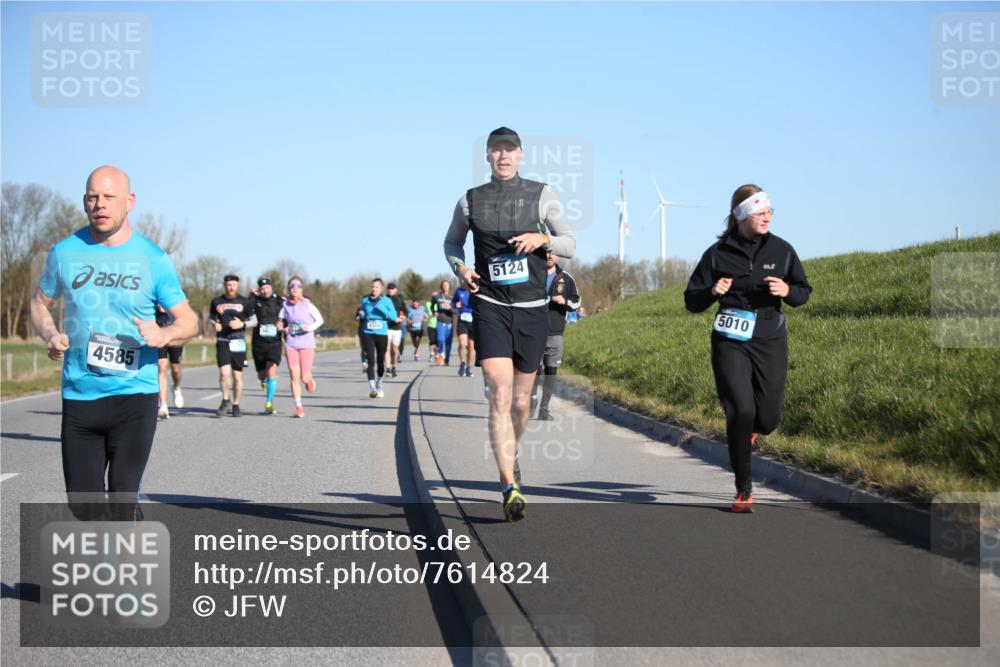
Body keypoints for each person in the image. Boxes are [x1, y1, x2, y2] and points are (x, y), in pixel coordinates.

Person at [29, 165, 197, 520]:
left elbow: (189, 320)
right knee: (84, 507)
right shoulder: (64, 253)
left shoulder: (153, 259)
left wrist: (164, 334)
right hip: (80, 396)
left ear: (129, 201)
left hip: (134, 396)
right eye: (93, 197)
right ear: (84, 202)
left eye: (109, 196)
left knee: (121, 500)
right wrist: (50, 334)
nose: (100, 204)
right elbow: (39, 304)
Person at [444, 127, 575, 521]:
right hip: (490, 305)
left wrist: (542, 239)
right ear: (487, 156)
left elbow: (569, 243)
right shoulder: (470, 200)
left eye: (510, 150)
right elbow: (451, 243)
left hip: (533, 309)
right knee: (499, 394)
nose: (503, 156)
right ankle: (508, 485)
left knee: (521, 402)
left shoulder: (542, 194)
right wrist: (460, 268)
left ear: (520, 155)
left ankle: (510, 453)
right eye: (496, 150)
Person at [684, 184, 812, 513]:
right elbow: (691, 301)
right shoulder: (717, 253)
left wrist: (787, 290)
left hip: (770, 337)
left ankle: (748, 434)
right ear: (742, 216)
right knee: (741, 410)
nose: (767, 218)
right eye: (760, 213)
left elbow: (803, 291)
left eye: (770, 212)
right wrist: (712, 291)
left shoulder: (782, 250)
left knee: (766, 419)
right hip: (730, 339)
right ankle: (744, 488)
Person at [533, 251, 581, 421]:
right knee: (533, 370)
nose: (549, 256)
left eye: (552, 253)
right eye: (546, 252)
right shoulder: (532, 274)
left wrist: (565, 302)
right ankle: (531, 402)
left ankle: (544, 409)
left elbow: (577, 301)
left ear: (557, 256)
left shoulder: (565, 278)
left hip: (555, 333)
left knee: (551, 372)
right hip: (533, 332)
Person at [209, 274, 254, 418]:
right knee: (224, 373)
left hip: (238, 340)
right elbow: (211, 318)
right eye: (229, 285)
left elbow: (255, 320)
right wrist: (214, 325)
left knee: (237, 375)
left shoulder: (245, 301)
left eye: (234, 285)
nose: (231, 287)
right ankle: (225, 400)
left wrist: (242, 324)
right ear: (224, 286)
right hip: (223, 339)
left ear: (237, 285)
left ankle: (236, 404)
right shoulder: (217, 301)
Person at [280, 276, 324, 418]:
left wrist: (309, 327)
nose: (295, 288)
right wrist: (282, 327)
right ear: (289, 288)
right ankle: (298, 406)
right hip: (291, 343)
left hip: (306, 344)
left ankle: (309, 380)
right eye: (292, 286)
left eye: (297, 286)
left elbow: (320, 320)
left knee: (304, 377)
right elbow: (280, 321)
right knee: (294, 374)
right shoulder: (285, 305)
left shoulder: (308, 305)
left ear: (301, 289)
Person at [250, 276, 284, 414]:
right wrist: (252, 296)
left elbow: (288, 315)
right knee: (261, 375)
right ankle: (264, 382)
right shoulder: (255, 301)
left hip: (274, 342)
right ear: (259, 289)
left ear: (271, 287)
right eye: (262, 288)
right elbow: (245, 310)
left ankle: (269, 403)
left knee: (271, 370)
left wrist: (283, 324)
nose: (265, 290)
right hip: (259, 342)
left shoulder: (280, 301)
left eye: (267, 287)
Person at [359, 278, 398, 398]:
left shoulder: (387, 301)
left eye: (376, 287)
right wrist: (362, 314)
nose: (373, 289)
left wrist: (381, 308)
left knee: (380, 361)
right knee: (370, 360)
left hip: (381, 333)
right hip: (367, 332)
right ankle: (372, 388)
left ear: (381, 288)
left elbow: (394, 316)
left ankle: (379, 383)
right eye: (372, 287)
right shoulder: (365, 300)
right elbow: (363, 312)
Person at [155, 304, 185, 420]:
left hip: (174, 336)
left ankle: (176, 387)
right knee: (161, 367)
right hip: (159, 336)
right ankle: (163, 405)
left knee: (176, 368)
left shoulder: (174, 297)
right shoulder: (154, 298)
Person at [452, 283, 477, 377]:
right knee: (462, 344)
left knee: (472, 346)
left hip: (474, 320)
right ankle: (462, 364)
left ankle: (469, 368)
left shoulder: (475, 289)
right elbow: (453, 303)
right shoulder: (458, 291)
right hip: (462, 320)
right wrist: (455, 305)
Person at [385, 282, 408, 378]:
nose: (390, 290)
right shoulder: (384, 299)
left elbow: (405, 311)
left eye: (392, 288)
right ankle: (388, 369)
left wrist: (402, 317)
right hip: (386, 327)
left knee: (395, 350)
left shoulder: (399, 298)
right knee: (387, 348)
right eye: (389, 288)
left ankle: (394, 368)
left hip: (397, 327)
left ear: (396, 289)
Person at [432, 279, 455, 365]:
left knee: (448, 342)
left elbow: (456, 311)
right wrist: (434, 312)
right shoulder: (437, 297)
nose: (445, 286)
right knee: (440, 339)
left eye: (447, 285)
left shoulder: (452, 298)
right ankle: (441, 352)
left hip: (449, 322)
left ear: (449, 287)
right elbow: (432, 306)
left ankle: (447, 359)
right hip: (440, 321)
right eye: (444, 285)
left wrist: (450, 308)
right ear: (441, 286)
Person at [355, 304, 369, 372]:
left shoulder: (374, 307)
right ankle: (364, 364)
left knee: (370, 348)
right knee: (363, 348)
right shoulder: (360, 308)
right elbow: (356, 317)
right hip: (362, 330)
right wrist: (358, 317)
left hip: (371, 330)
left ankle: (369, 362)